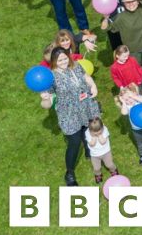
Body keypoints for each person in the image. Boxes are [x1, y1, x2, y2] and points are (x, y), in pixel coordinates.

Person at [39, 48, 101, 186]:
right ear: (54, 61)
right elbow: (46, 105)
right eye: (59, 60)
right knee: (74, 142)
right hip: (69, 113)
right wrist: (45, 98)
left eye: (65, 58)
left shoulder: (76, 66)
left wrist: (93, 86)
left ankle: (89, 151)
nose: (63, 62)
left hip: (86, 105)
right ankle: (70, 173)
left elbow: (86, 77)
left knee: (88, 129)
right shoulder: (51, 77)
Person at [85, 117, 118, 184]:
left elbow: (103, 142)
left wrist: (99, 135)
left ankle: (113, 171)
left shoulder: (105, 130)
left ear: (102, 128)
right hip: (94, 155)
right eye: (94, 132)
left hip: (106, 152)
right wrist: (94, 137)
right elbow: (92, 144)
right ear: (90, 130)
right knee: (96, 168)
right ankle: (98, 175)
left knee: (109, 164)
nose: (97, 133)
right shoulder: (87, 133)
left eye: (99, 131)